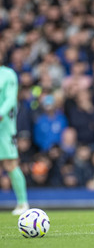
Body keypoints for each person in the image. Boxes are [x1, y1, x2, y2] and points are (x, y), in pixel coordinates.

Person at [0, 65, 29, 215]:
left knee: (10, 164)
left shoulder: (7, 74)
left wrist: (1, 113)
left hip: (3, 127)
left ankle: (23, 203)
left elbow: (11, 98)